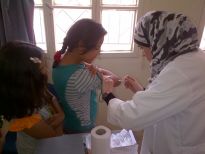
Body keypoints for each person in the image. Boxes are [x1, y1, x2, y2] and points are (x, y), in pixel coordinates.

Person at [102, 11, 205, 154]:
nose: (143, 54)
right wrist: (141, 91)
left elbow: (132, 116)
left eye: (143, 47)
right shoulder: (192, 57)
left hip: (176, 147)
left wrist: (107, 94)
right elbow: (169, 99)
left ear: (160, 41)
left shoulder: (180, 72)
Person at [52, 18, 121, 133]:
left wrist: (92, 68)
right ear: (81, 46)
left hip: (68, 124)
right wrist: (99, 70)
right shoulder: (80, 76)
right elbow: (116, 80)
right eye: (97, 47)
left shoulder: (59, 61)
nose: (99, 52)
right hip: (83, 129)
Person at [0, 41, 64, 154]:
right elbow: (55, 139)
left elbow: (51, 98)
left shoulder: (38, 89)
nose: (47, 70)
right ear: (27, 79)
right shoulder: (27, 120)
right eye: (43, 67)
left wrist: (60, 113)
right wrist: (60, 119)